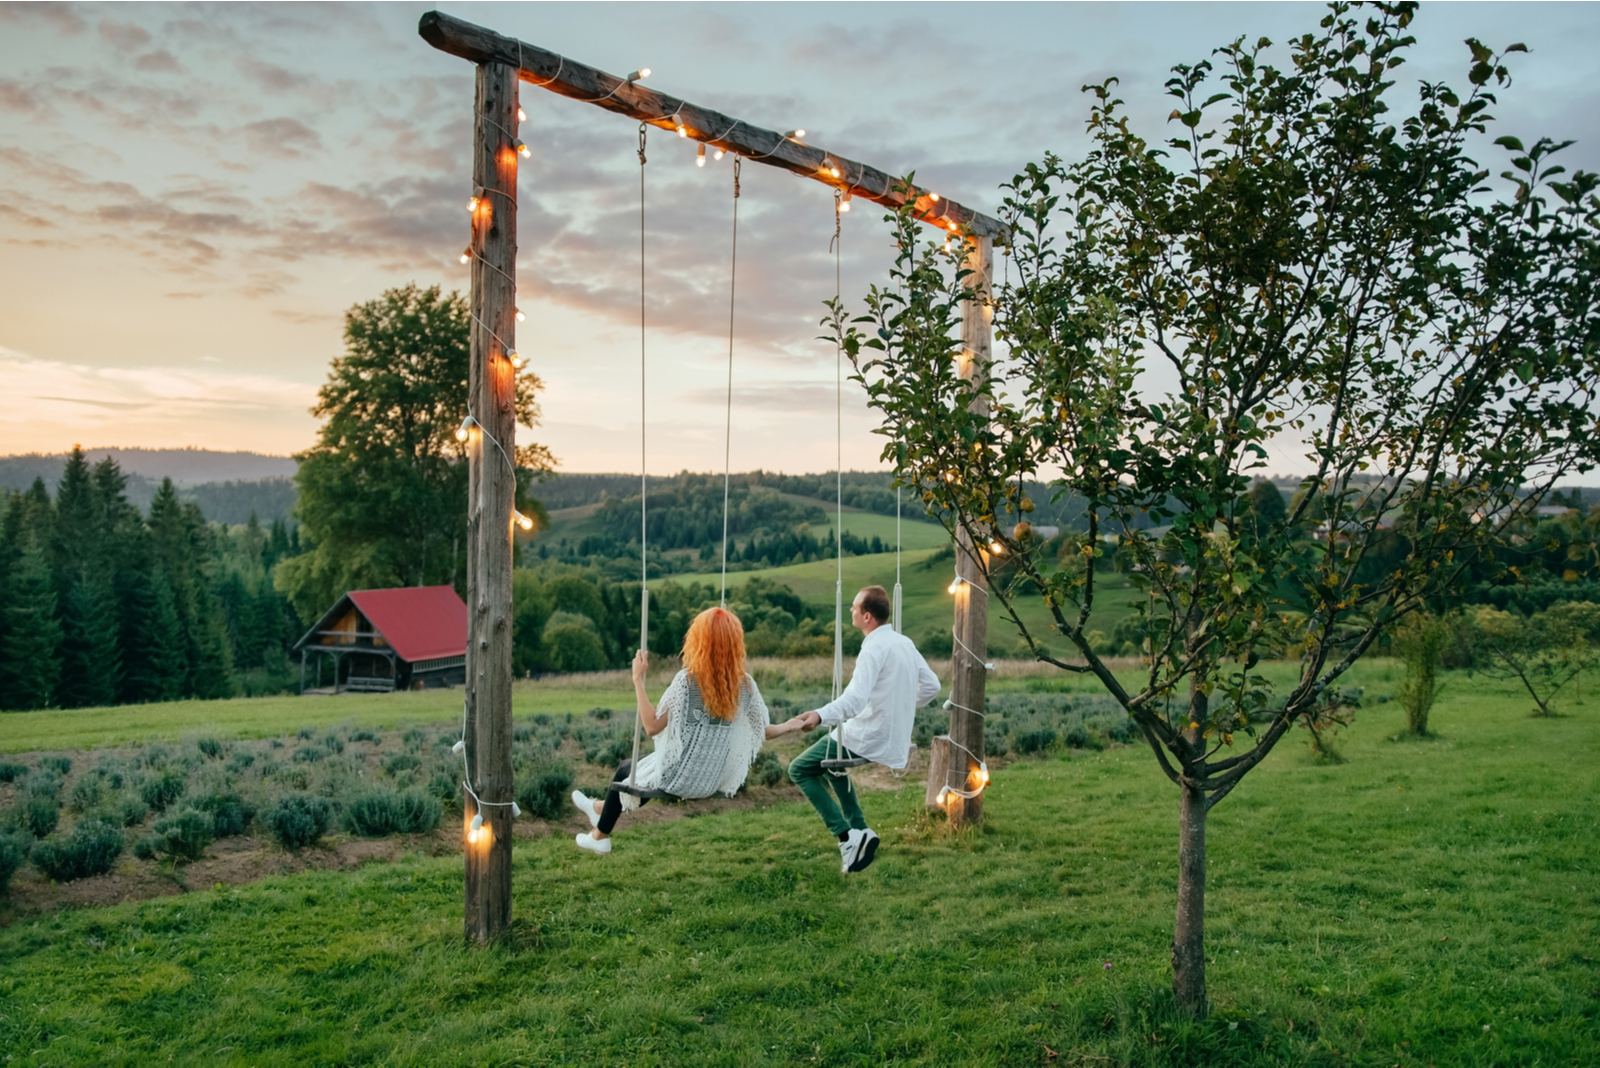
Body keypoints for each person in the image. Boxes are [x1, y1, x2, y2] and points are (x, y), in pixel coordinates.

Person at [570, 606, 808, 854]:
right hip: (712, 780)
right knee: (636, 769)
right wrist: (790, 726)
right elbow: (765, 731)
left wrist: (637, 681)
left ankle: (600, 836)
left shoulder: (688, 681)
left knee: (627, 772)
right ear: (735, 643)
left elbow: (651, 727)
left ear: (699, 641)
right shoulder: (746, 684)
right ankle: (599, 810)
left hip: (680, 779)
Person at [791, 585, 941, 873]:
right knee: (834, 765)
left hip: (868, 734)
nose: (850, 610)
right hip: (891, 735)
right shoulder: (903, 642)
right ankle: (860, 829)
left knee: (799, 769)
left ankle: (846, 836)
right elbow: (932, 686)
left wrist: (820, 715)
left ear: (868, 616)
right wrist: (901, 706)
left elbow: (855, 700)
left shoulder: (873, 647)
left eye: (854, 607)